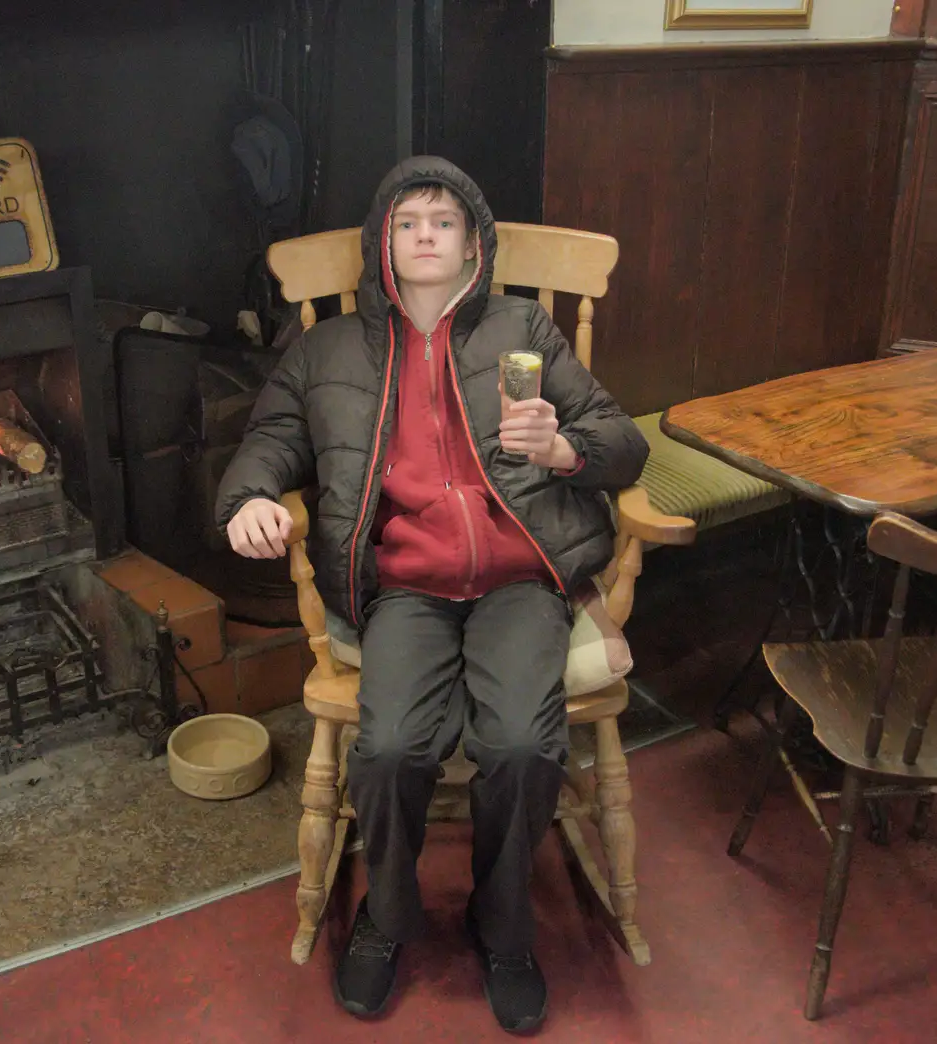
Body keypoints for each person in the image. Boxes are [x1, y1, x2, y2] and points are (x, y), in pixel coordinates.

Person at [215, 157, 648, 1033]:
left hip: (520, 575)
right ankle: (388, 912)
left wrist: (563, 451)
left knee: (526, 745)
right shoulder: (328, 349)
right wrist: (250, 498)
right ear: (382, 242)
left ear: (472, 244)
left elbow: (621, 439)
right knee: (386, 752)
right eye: (407, 220)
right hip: (404, 584)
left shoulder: (524, 329)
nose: (424, 234)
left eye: (443, 221)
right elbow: (270, 437)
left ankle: (504, 921)